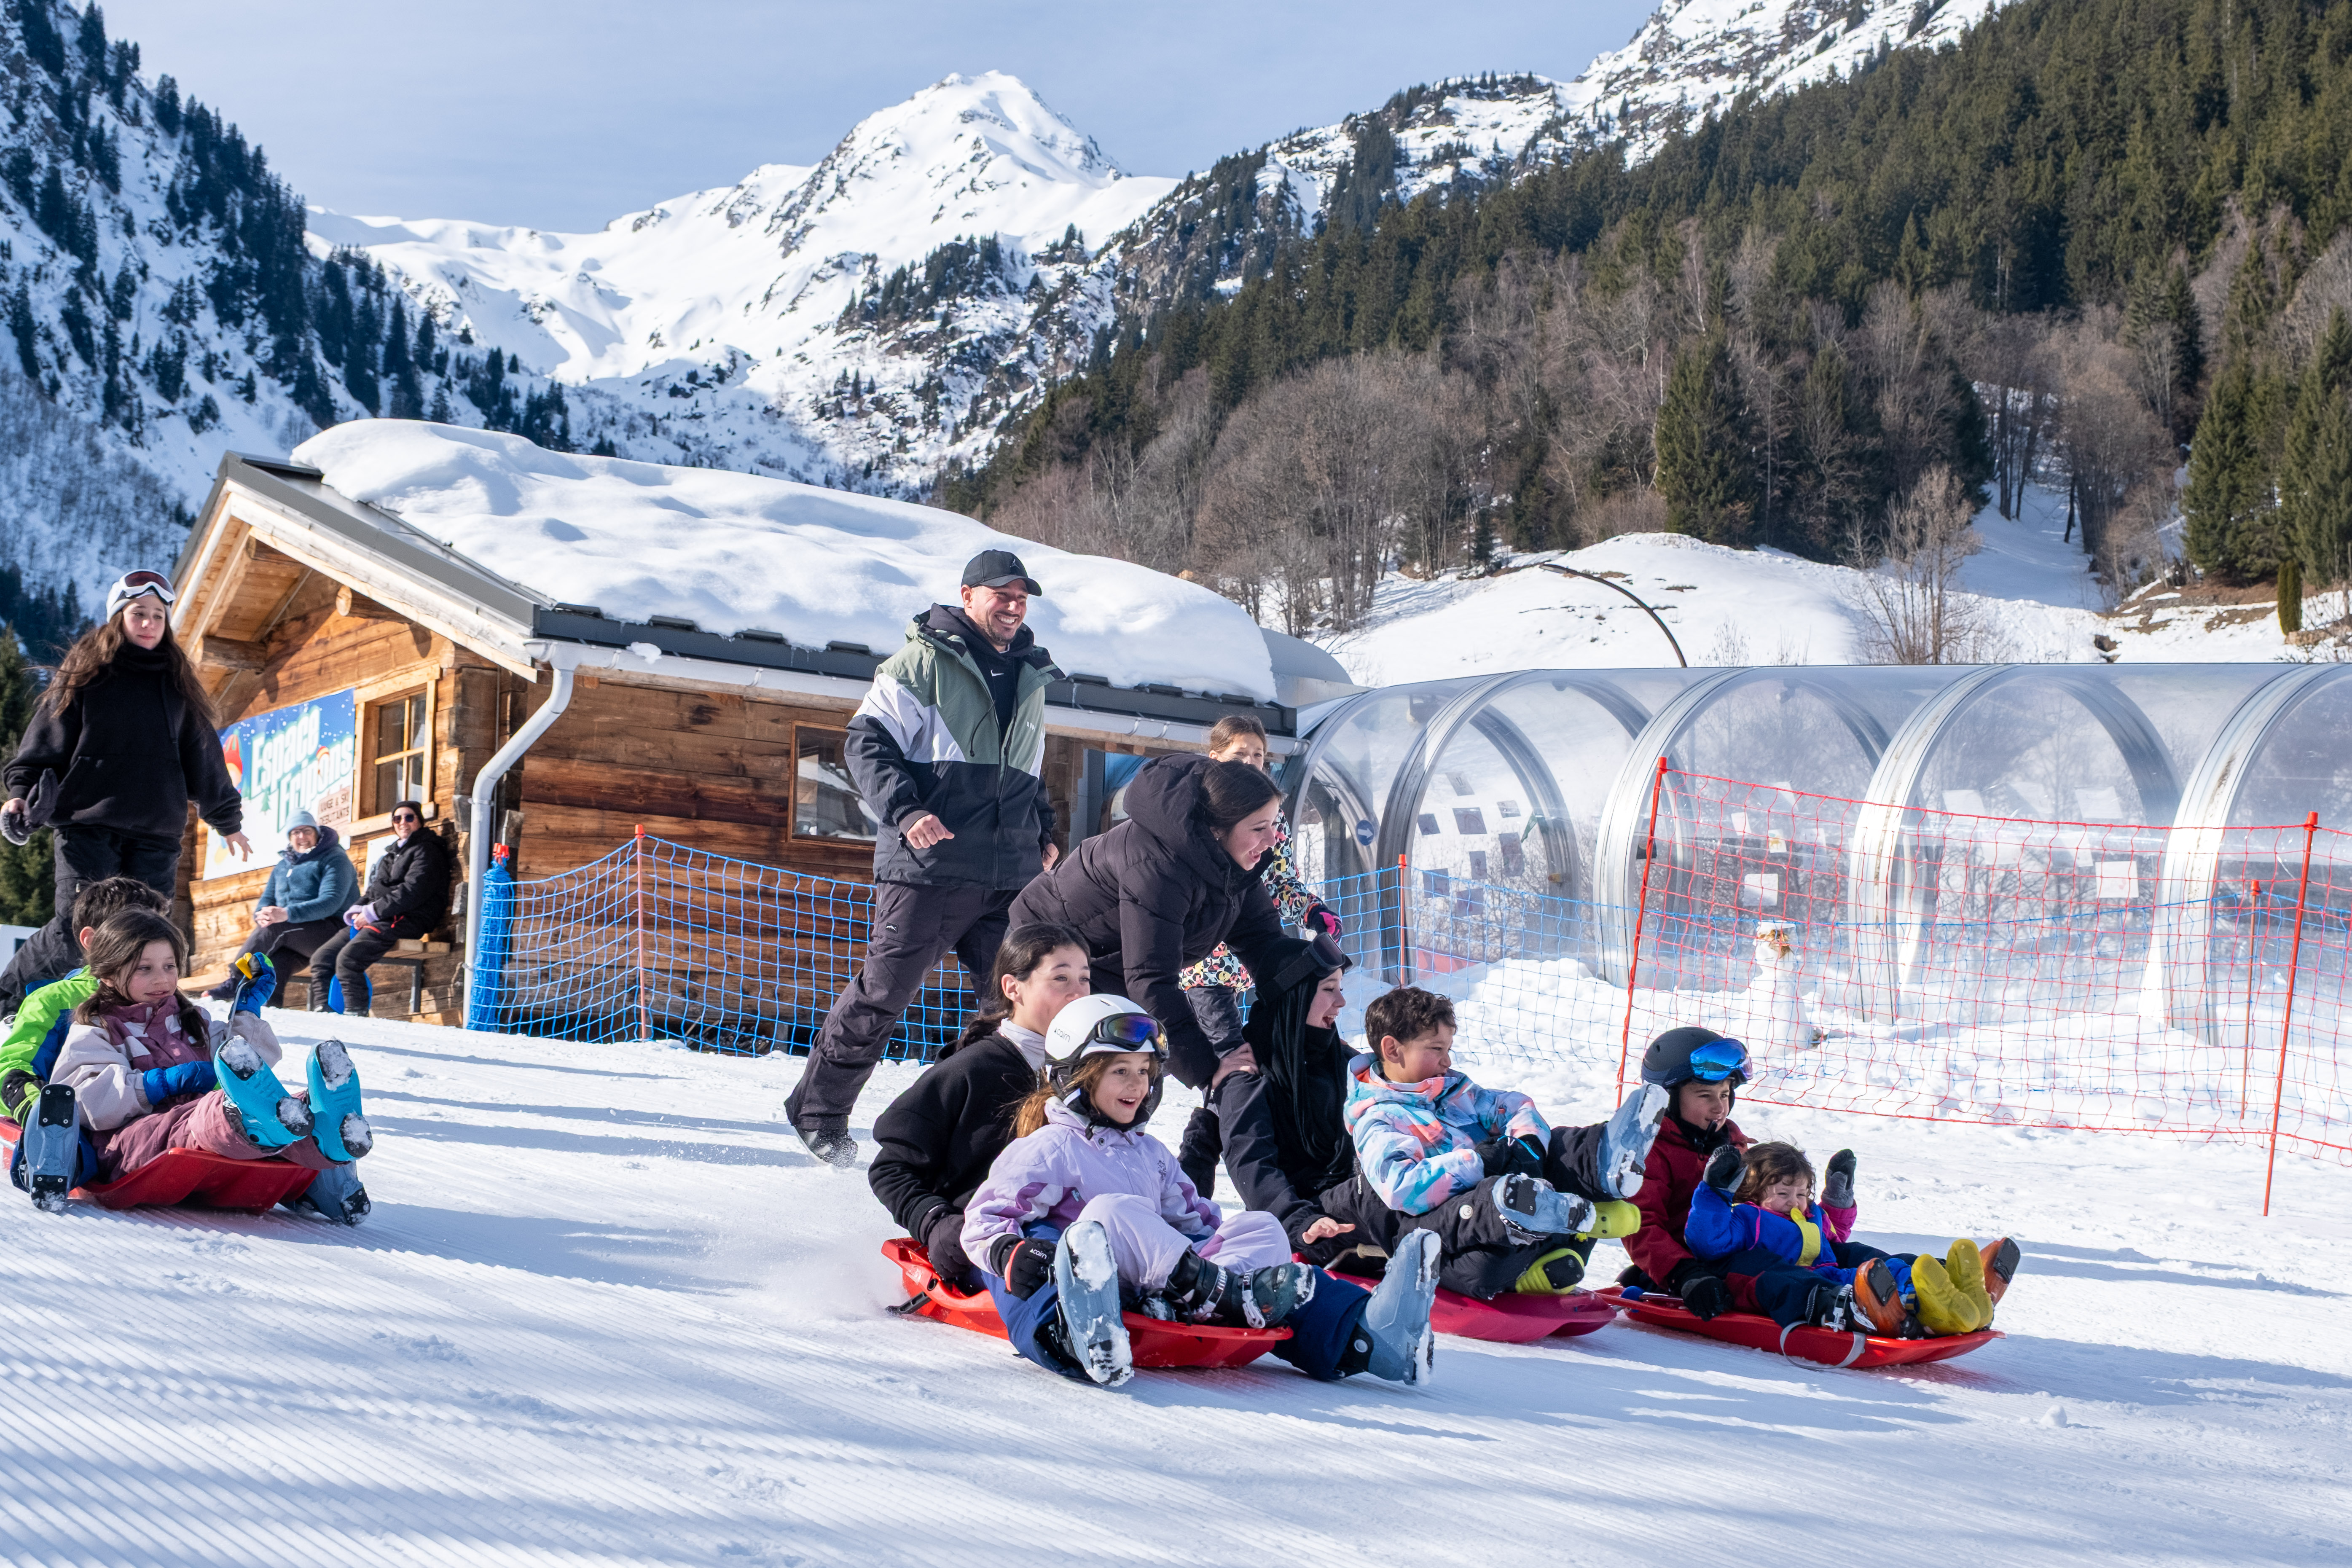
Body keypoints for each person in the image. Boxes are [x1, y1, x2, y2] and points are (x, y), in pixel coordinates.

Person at [961, 994, 1439, 1388]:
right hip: (1103, 1287)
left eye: (1145, 1072)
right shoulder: (1051, 1146)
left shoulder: (1150, 1153)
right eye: (1120, 1071)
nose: (1137, 1085)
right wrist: (1009, 1252)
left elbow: (1196, 1219)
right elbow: (985, 1218)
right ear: (1076, 1078)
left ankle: (1382, 1337)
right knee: (1110, 1212)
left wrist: (1240, 1249)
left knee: (1262, 1227)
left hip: (1168, 1287)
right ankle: (1221, 1297)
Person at [785, 549, 1062, 1168]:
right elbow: (866, 742)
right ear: (968, 597)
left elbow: (1028, 773)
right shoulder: (923, 661)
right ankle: (819, 1112)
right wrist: (907, 812)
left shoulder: (1032, 676)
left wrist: (1043, 829)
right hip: (929, 868)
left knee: (1012, 1012)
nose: (1014, 606)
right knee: (886, 991)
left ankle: (987, 1136)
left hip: (1009, 876)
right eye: (1002, 594)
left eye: (1022, 596)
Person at [1319, 985, 1668, 1301]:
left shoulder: (1453, 1089)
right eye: (1436, 1049)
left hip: (1505, 1186)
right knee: (1487, 1225)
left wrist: (1527, 1144)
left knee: (1562, 1145)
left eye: (1449, 1049)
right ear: (1393, 1050)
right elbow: (1403, 1188)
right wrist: (1479, 1162)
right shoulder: (1379, 1119)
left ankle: (1604, 1160)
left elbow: (1513, 1106)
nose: (1447, 1060)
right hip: (1452, 1218)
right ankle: (1528, 1211)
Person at [47, 909, 372, 1222]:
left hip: (210, 1138)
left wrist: (247, 1012)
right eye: (144, 969)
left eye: (170, 966)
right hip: (134, 1142)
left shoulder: (192, 1021)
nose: (161, 979)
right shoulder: (96, 1028)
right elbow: (86, 1101)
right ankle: (251, 1119)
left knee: (272, 1110)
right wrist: (156, 1084)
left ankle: (323, 1129)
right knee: (216, 1109)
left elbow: (247, 1065)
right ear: (107, 973)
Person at [1007, 753, 1292, 1095]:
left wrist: (1309, 988)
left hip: (1113, 965)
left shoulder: (1234, 865)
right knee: (1038, 1075)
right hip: (1049, 947)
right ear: (1217, 829)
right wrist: (1208, 1069)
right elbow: (1152, 980)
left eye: (1274, 825)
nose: (1272, 839)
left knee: (1132, 1078)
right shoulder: (1159, 865)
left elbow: (1264, 940)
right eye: (1259, 828)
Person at [1, 569, 252, 953]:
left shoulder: (177, 684)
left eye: (158, 615)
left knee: (142, 941)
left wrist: (228, 822)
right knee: (79, 934)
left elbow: (204, 758)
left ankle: (122, 1015)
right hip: (88, 826)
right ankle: (10, 998)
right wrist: (21, 795)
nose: (149, 623)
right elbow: (44, 746)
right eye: (139, 613)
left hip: (155, 836)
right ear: (119, 616)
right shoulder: (85, 676)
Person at [867, 922, 1093, 1289]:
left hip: (1080, 1228)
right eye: (1061, 979)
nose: (1077, 993)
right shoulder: (973, 1069)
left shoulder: (1091, 1071)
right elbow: (892, 1168)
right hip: (994, 1242)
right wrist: (936, 1222)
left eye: (1084, 979)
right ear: (1013, 988)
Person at [1688, 1139, 2017, 1336]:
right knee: (1781, 1278)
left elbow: (1836, 1239)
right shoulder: (1748, 1218)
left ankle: (1944, 1291)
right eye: (1783, 1193)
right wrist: (1715, 1193)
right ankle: (1866, 1308)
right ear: (1754, 1194)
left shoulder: (1810, 1215)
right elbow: (1709, 1241)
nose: (1795, 1202)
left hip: (1831, 1272)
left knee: (1877, 1260)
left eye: (1802, 1193)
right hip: (1803, 1284)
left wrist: (1835, 1200)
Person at [1176, 933, 1365, 1265]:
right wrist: (1299, 1221)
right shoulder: (1251, 1075)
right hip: (1309, 1224)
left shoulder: (1343, 1061)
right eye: (1327, 989)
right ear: (1294, 996)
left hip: (1357, 1199)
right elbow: (1254, 1168)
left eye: (1341, 988)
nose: (1341, 1002)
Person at [1, 877, 172, 1197]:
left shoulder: (169, 1002)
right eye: (136, 935)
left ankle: (293, 1162)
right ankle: (55, 1159)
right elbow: (15, 1064)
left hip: (159, 1112)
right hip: (85, 1118)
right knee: (83, 1145)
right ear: (93, 941)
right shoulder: (56, 1000)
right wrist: (40, 1111)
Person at [1176, 714, 1334, 1055]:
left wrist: (1311, 910)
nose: (1250, 762)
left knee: (1254, 1054)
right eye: (1239, 754)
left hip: (1247, 965)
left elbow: (1280, 880)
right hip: (1203, 961)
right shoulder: (1200, 811)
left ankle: (1226, 1106)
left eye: (1258, 754)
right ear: (1216, 759)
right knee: (1231, 1055)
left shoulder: (1273, 817)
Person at [304, 802, 450, 1017]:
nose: (403, 823)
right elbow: (374, 890)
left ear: (419, 820)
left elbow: (413, 892)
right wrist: (357, 911)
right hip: (382, 916)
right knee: (321, 959)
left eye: (409, 817)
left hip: (409, 918)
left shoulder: (426, 851)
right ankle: (323, 1011)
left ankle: (356, 1012)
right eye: (397, 819)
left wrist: (371, 913)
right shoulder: (392, 855)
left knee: (348, 960)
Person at [206, 811, 357, 1000]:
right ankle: (270, 1007)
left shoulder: (334, 858)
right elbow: (266, 901)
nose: (302, 837)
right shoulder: (283, 866)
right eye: (295, 833)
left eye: (307, 831)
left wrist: (286, 914)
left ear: (317, 833)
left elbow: (330, 902)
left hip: (332, 931)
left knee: (276, 928)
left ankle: (237, 979)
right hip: (295, 936)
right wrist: (261, 915)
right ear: (290, 837)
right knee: (277, 962)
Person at [0, 873, 168, 1020]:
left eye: (161, 931)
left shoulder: (172, 1004)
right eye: (139, 933)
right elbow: (20, 1055)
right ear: (92, 940)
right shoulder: (55, 1002)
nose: (155, 943)